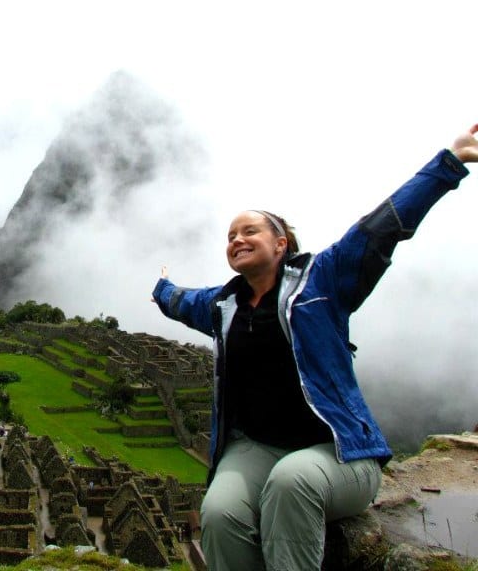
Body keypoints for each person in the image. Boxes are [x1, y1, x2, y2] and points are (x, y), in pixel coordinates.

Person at [151, 125, 478, 570]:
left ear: (281, 244)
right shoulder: (223, 305)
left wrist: (448, 164)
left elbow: (381, 228)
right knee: (218, 511)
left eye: (250, 231)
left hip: (337, 451)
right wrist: (162, 287)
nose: (237, 240)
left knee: (292, 482)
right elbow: (183, 302)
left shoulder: (323, 282)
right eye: (230, 236)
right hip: (258, 448)